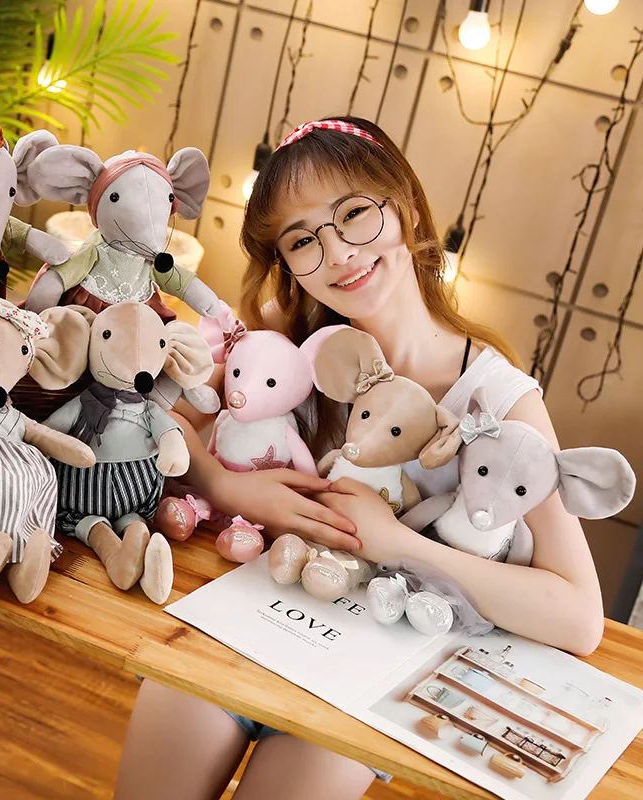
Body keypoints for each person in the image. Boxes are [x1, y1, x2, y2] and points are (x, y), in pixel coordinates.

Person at [113, 117, 605, 800]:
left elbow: (579, 616)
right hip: (247, 621)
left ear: (405, 208)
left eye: (352, 214)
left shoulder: (497, 398)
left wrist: (396, 542)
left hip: (365, 675)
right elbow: (156, 422)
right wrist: (227, 485)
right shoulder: (290, 338)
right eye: (302, 240)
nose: (338, 252)